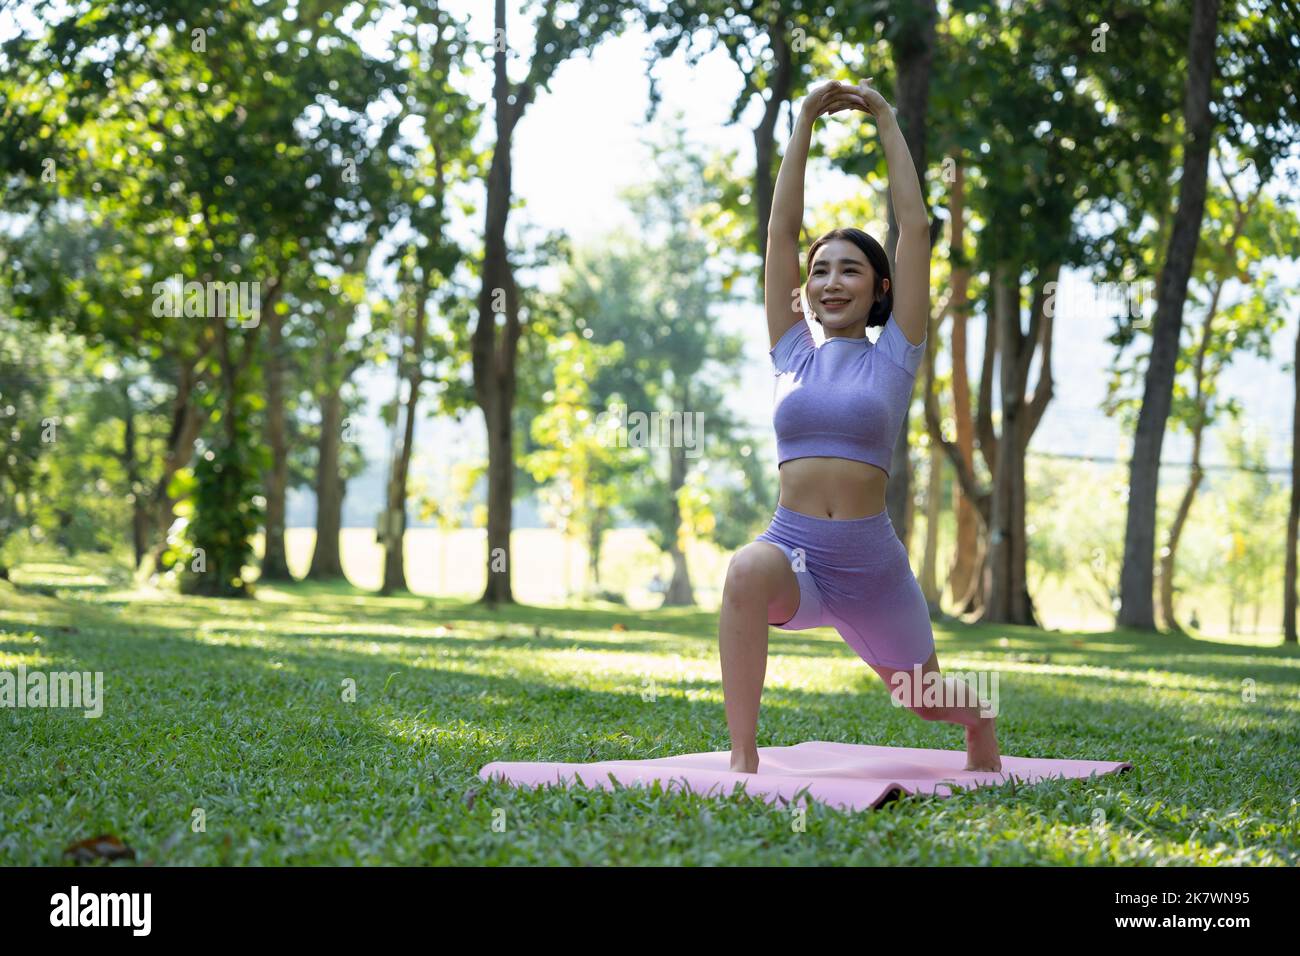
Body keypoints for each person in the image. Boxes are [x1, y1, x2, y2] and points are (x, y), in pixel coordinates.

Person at [718, 78, 1001, 775]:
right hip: (797, 557)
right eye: (820, 271)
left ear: (881, 288)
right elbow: (780, 231)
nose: (831, 281)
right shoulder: (791, 352)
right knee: (746, 567)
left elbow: (917, 226)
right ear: (804, 288)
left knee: (923, 698)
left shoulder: (896, 356)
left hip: (871, 571)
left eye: (851, 269)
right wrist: (805, 118)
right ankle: (743, 758)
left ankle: (982, 720)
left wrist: (884, 117)